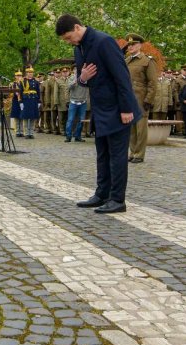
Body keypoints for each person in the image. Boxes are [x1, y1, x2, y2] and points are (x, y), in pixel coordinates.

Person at [58, 14, 140, 214]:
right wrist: (84, 79)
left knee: (117, 156)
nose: (69, 42)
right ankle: (102, 194)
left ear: (77, 27)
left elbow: (122, 76)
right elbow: (82, 79)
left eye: (69, 37)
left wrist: (127, 108)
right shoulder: (79, 48)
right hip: (100, 108)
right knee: (102, 154)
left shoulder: (104, 41)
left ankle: (117, 199)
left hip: (118, 109)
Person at [125, 34, 158, 163]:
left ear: (139, 45)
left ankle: (139, 153)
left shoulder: (147, 61)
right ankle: (133, 152)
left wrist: (148, 100)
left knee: (140, 128)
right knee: (131, 128)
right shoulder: (126, 61)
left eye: (133, 44)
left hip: (141, 99)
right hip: (128, 99)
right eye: (129, 45)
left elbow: (152, 83)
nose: (130, 46)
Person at [64, 67, 88, 142]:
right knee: (70, 120)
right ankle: (68, 136)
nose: (77, 70)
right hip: (73, 102)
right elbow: (69, 87)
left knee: (81, 120)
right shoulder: (71, 78)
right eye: (75, 69)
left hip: (83, 102)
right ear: (74, 71)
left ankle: (77, 136)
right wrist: (75, 80)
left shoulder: (86, 77)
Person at [20, 66, 41, 138]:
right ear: (26, 73)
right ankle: (26, 133)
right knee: (26, 117)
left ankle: (31, 133)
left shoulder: (36, 81)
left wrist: (39, 101)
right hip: (26, 100)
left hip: (34, 100)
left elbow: (38, 91)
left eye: (31, 72)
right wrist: (21, 102)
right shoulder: (23, 81)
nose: (30, 74)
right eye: (29, 72)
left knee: (32, 117)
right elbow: (20, 92)